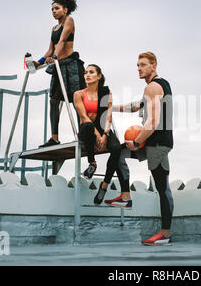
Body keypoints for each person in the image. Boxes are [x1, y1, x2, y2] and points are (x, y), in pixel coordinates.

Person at [113, 52, 174, 245]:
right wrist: (111, 107)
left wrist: (137, 142)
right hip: (151, 141)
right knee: (117, 152)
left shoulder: (153, 87)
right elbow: (135, 106)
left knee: (163, 188)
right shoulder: (154, 87)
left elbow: (153, 122)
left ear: (153, 65)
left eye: (143, 65)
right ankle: (126, 196)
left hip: (156, 143)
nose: (139, 68)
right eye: (137, 65)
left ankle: (165, 234)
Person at [73, 64, 132, 208]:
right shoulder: (79, 94)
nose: (87, 75)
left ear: (99, 76)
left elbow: (108, 117)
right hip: (86, 130)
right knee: (87, 126)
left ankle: (104, 186)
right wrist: (98, 134)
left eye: (91, 72)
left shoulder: (106, 92)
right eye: (86, 72)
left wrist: (105, 134)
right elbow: (84, 117)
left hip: (102, 127)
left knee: (116, 148)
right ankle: (92, 163)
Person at [35, 0, 86, 148]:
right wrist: (39, 62)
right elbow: (51, 49)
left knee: (77, 101)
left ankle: (82, 135)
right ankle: (54, 137)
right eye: (52, 9)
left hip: (70, 66)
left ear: (65, 9)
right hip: (58, 67)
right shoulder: (53, 28)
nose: (54, 11)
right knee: (53, 101)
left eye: (56, 8)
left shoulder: (69, 21)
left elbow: (63, 40)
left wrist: (55, 57)